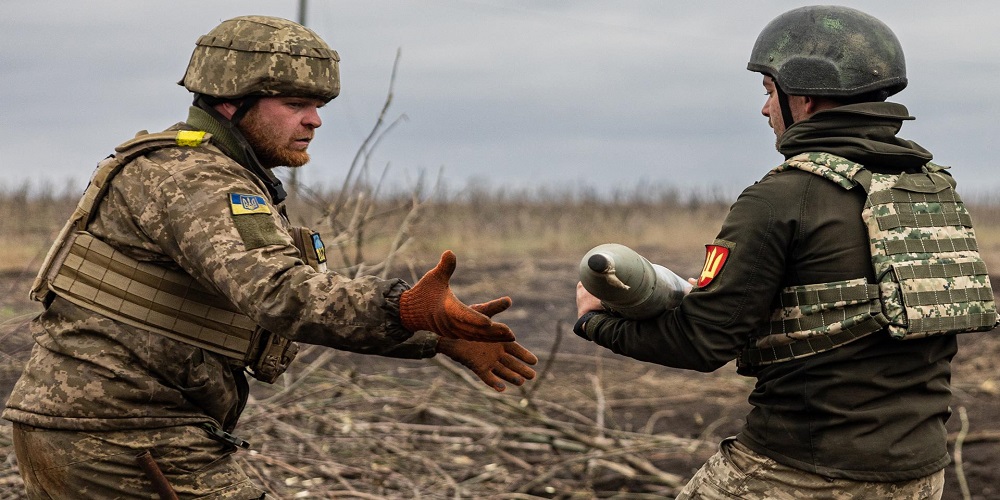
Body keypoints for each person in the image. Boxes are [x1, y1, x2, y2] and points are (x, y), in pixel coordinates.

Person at [3, 15, 538, 498]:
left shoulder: (206, 171)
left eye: (319, 107)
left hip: (105, 427)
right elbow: (280, 293)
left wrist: (432, 334)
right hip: (122, 436)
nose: (315, 122)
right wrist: (403, 307)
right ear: (230, 101)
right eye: (295, 105)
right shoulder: (196, 178)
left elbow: (248, 312)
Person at [574, 5, 995, 499]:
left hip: (801, 471)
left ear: (806, 95)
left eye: (770, 92)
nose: (765, 109)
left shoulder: (781, 198)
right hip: (919, 474)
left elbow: (701, 342)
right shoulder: (933, 189)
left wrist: (594, 321)